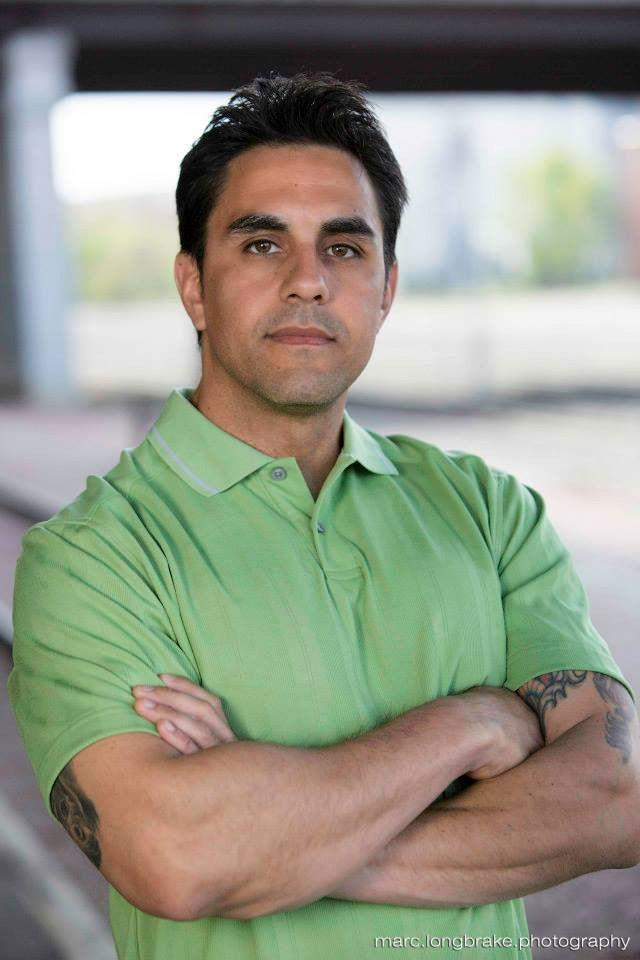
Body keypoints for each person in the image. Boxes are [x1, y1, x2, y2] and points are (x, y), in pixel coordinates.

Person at [8, 72, 640, 960]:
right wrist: (467, 724)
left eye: (344, 247)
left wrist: (271, 845)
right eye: (263, 244)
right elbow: (178, 858)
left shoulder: (490, 511)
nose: (308, 280)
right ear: (194, 286)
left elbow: (615, 800)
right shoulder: (92, 557)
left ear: (386, 288)